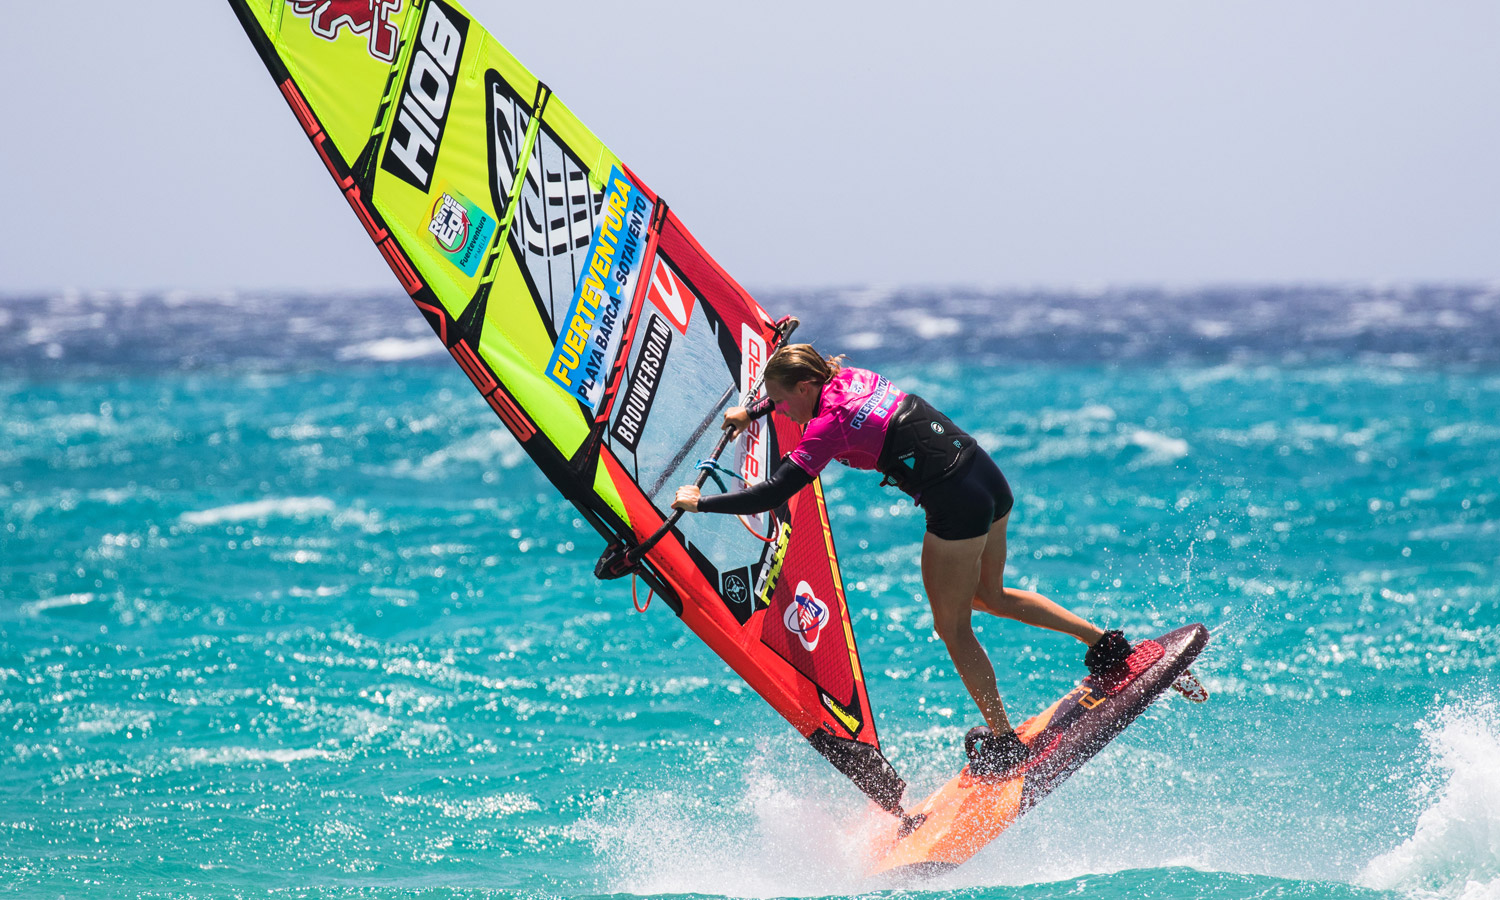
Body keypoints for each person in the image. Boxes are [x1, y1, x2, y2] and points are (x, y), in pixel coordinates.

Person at [671, 345, 1133, 777]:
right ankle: (1106, 645)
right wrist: (752, 410)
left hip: (956, 503)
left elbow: (771, 493)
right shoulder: (851, 376)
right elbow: (800, 398)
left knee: (952, 627)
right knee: (989, 595)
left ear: (806, 387)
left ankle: (1006, 743)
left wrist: (700, 503)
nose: (783, 410)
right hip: (987, 476)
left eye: (782, 400)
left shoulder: (827, 426)